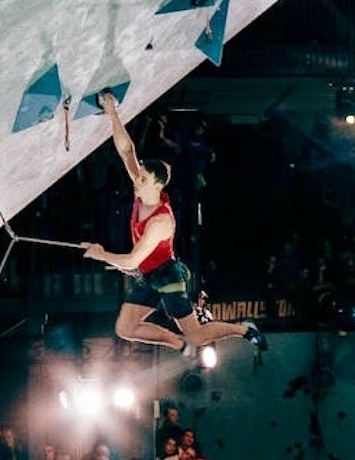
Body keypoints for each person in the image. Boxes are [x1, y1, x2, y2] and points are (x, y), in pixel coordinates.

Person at [81, 92, 267, 356]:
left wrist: (100, 254)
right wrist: (112, 112)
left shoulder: (161, 221)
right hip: (148, 274)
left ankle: (244, 329)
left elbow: (132, 260)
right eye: (139, 177)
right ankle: (179, 345)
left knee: (197, 335)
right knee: (125, 328)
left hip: (167, 277)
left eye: (142, 180)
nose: (136, 182)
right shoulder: (142, 191)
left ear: (157, 185)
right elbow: (127, 151)